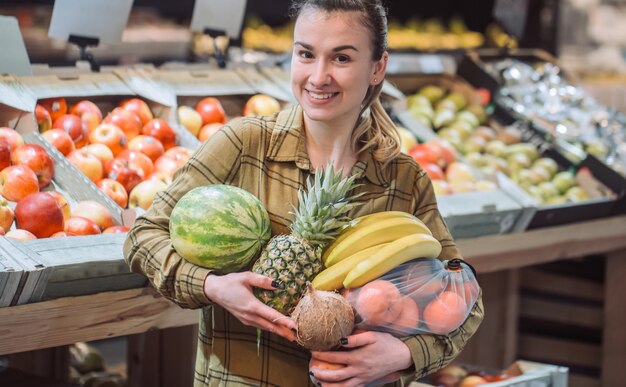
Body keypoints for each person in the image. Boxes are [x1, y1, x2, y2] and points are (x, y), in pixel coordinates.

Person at [123, 0, 484, 385]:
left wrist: (405, 354)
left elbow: (465, 300)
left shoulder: (403, 180)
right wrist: (213, 286)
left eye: (341, 58)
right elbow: (143, 236)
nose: (318, 76)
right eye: (306, 54)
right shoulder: (246, 145)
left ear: (377, 67)